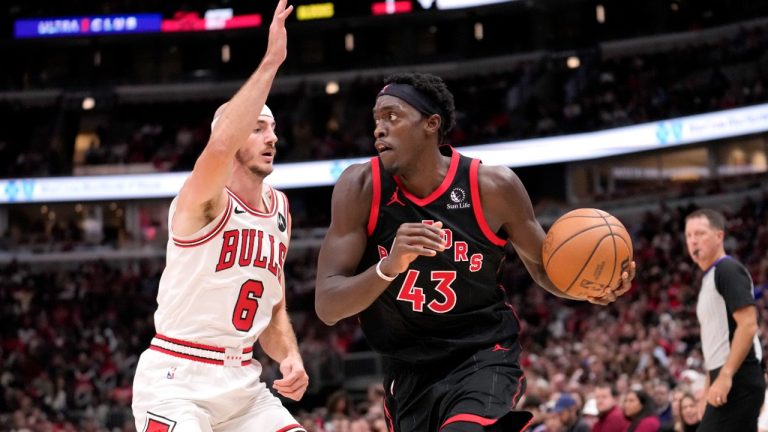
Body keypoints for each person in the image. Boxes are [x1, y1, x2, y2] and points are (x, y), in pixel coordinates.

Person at [314, 72, 636, 431]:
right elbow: (327, 306)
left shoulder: (492, 187)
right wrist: (388, 267)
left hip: (482, 353)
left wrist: (592, 288)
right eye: (376, 118)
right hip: (406, 367)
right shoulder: (360, 188)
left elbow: (546, 271)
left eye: (392, 116)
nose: (379, 128)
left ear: (431, 124)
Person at [131, 2, 309, 431]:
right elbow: (219, 146)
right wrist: (271, 63)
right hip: (177, 378)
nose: (272, 137)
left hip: (243, 384)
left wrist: (289, 355)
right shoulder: (202, 201)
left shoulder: (280, 209)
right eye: (258, 127)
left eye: (273, 129)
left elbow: (274, 301)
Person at [684, 208, 765, 431]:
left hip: (739, 377)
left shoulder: (727, 270)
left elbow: (748, 325)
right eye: (689, 235)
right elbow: (715, 344)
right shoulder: (709, 277)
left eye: (700, 233)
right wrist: (711, 385)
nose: (693, 241)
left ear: (719, 236)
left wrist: (726, 376)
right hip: (729, 376)